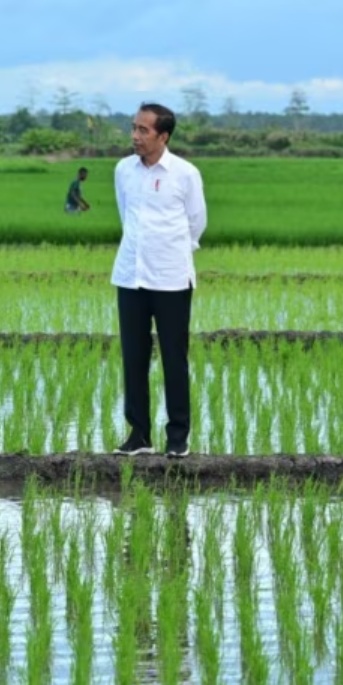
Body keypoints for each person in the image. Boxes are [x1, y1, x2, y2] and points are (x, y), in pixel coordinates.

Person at [111, 103, 206, 459]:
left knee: (173, 357)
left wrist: (169, 252)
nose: (135, 136)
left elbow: (196, 222)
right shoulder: (123, 170)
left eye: (143, 131)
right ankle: (138, 435)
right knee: (133, 357)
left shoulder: (185, 174)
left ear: (163, 136)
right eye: (134, 128)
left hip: (171, 279)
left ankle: (177, 436)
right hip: (130, 276)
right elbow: (126, 216)